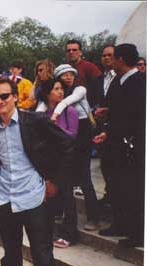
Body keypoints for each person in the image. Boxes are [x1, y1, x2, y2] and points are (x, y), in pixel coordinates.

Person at [0, 76, 74, 266]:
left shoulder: (36, 121)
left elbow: (68, 147)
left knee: (42, 258)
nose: (0, 101)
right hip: (5, 199)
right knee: (11, 257)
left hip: (35, 197)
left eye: (5, 96)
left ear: (16, 97)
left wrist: (55, 182)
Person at [37, 64, 100, 231]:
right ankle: (61, 213)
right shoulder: (57, 92)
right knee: (65, 181)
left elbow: (64, 103)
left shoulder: (78, 90)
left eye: (71, 74)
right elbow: (41, 108)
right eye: (64, 75)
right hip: (66, 142)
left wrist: (55, 117)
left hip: (80, 137)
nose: (68, 77)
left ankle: (94, 217)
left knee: (84, 178)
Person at [94, 44, 145, 248]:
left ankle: (137, 232)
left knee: (132, 189)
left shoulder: (140, 82)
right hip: (113, 144)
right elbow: (116, 107)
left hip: (131, 145)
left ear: (121, 60)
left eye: (113, 57)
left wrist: (109, 131)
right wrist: (105, 111)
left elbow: (135, 116)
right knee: (115, 185)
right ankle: (120, 223)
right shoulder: (118, 80)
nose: (110, 61)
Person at [39, 78, 79, 248]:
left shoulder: (69, 111)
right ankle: (51, 232)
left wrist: (55, 128)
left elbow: (72, 136)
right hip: (49, 160)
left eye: (62, 89)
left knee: (67, 196)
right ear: (48, 93)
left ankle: (70, 234)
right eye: (56, 89)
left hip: (66, 159)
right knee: (51, 197)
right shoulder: (43, 113)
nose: (61, 92)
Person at [92, 45, 117, 207]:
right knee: (105, 162)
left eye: (109, 55)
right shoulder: (99, 79)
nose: (106, 58)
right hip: (102, 126)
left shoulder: (121, 77)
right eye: (103, 55)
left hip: (118, 126)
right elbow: (94, 99)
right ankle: (109, 193)